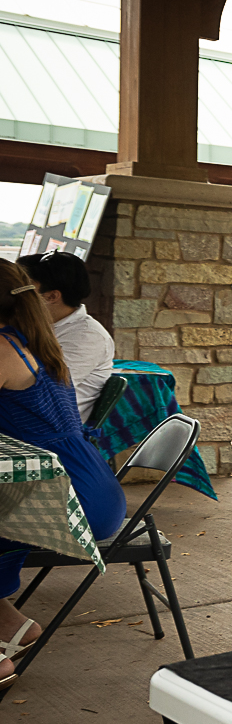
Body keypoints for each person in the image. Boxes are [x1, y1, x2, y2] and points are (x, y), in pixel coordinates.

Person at [0, 260, 128, 689]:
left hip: (68, 498)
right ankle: (15, 627)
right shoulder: (34, 341)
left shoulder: (3, 347)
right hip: (86, 486)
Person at [20, 251, 117, 421]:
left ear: (52, 296)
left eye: (24, 289)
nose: (16, 296)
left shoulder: (87, 336)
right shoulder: (37, 324)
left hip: (47, 432)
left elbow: (41, 393)